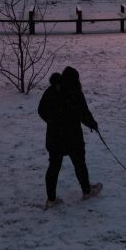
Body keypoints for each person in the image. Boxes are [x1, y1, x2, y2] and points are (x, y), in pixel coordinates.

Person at [38, 65, 101, 207]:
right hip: (72, 137)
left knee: (54, 166)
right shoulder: (75, 93)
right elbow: (84, 113)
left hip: (54, 137)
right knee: (79, 163)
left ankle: (51, 200)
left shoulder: (52, 90)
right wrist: (93, 124)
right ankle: (86, 191)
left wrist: (52, 121)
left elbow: (41, 110)